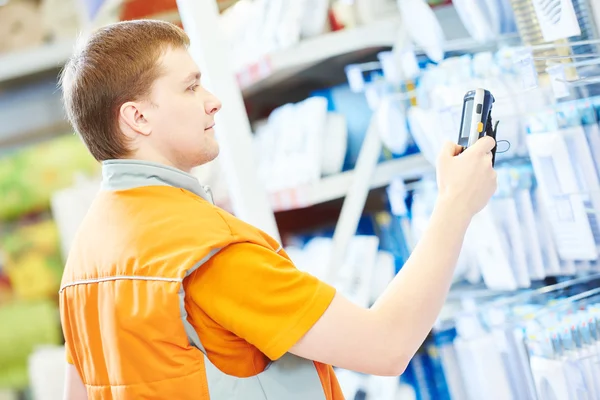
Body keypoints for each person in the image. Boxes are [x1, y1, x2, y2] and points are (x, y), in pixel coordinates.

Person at [59, 20, 497, 400]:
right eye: (190, 86)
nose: (213, 100)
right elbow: (385, 345)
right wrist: (456, 203)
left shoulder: (83, 261)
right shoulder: (204, 250)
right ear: (137, 118)